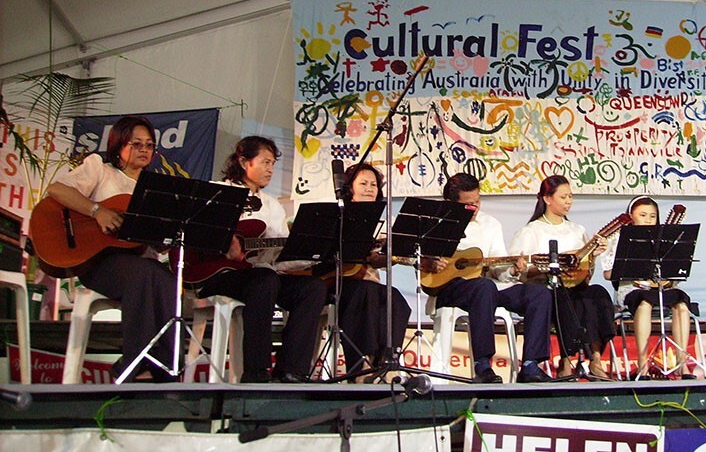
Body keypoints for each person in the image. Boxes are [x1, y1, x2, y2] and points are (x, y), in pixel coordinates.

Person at [45, 115, 177, 382]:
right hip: (97, 260)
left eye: (149, 145)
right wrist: (97, 211)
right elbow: (57, 190)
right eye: (137, 143)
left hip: (139, 261)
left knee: (167, 280)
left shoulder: (154, 189)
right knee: (144, 273)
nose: (144, 149)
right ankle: (136, 364)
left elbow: (158, 244)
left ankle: (163, 369)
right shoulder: (99, 169)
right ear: (118, 145)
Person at [196, 136, 327, 383]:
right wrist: (224, 243)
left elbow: (280, 258)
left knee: (313, 288)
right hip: (217, 274)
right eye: (265, 162)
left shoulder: (273, 206)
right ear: (244, 161)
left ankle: (291, 369)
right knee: (265, 279)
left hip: (261, 277)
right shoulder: (218, 192)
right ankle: (256, 371)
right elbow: (196, 233)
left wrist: (309, 255)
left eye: (273, 164)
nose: (271, 169)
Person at [426, 172, 552, 383]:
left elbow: (498, 267)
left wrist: (512, 270)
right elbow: (425, 261)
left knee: (539, 294)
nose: (475, 208)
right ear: (452, 203)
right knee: (484, 288)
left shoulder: (490, 224)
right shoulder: (437, 223)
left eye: (478, 201)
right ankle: (482, 365)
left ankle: (530, 365)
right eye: (468, 204)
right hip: (452, 287)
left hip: (489, 287)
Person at [509, 175, 616, 379]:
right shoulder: (531, 231)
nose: (569, 201)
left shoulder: (577, 230)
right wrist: (542, 269)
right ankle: (566, 360)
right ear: (547, 199)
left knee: (598, 294)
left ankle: (595, 359)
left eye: (570, 196)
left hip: (576, 286)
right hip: (547, 290)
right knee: (566, 299)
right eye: (563, 196)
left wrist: (591, 258)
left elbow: (586, 273)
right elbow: (520, 271)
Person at [602, 196, 695, 378]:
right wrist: (629, 268)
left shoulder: (665, 239)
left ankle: (682, 363)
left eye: (652, 216)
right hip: (632, 290)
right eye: (642, 215)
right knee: (644, 303)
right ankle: (643, 363)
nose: (648, 220)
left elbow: (676, 270)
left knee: (681, 304)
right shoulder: (619, 237)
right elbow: (607, 273)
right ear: (631, 217)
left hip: (660, 289)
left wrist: (668, 279)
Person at [335, 162, 412, 381]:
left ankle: (387, 360)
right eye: (363, 183)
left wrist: (387, 254)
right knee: (366, 293)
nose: (369, 189)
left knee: (395, 298)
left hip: (368, 281)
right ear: (350, 188)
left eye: (374, 185)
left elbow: (378, 261)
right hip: (339, 280)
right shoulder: (339, 214)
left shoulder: (383, 222)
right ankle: (360, 365)